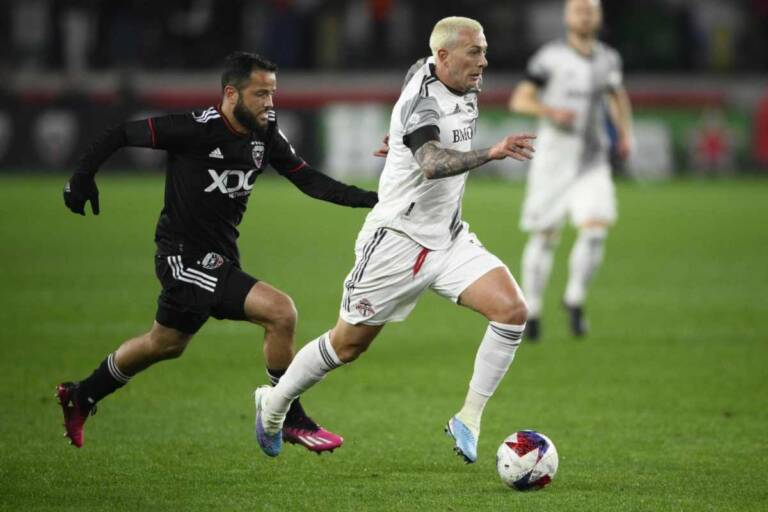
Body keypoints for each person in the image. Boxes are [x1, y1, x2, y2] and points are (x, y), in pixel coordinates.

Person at [57, 51, 378, 453]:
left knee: (165, 343)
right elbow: (122, 133)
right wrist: (82, 176)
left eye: (273, 94)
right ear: (231, 93)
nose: (269, 104)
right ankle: (286, 415)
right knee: (281, 313)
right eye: (260, 94)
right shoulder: (194, 128)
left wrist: (374, 200)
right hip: (183, 258)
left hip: (220, 256)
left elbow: (308, 179)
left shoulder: (265, 133)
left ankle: (81, 394)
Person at [253, 17, 536, 464]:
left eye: (483, 50)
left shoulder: (444, 76)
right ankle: (273, 407)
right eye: (474, 52)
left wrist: (400, 138)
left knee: (512, 311)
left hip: (447, 238)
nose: (484, 61)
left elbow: (413, 102)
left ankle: (469, 417)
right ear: (443, 57)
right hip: (396, 243)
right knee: (348, 345)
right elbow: (430, 162)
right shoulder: (425, 103)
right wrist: (491, 152)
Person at [509, 0, 633, 340]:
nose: (585, 15)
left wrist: (625, 133)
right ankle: (531, 310)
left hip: (593, 160)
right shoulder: (549, 58)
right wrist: (551, 112)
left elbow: (617, 97)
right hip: (552, 161)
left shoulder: (608, 58)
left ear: (599, 16)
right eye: (579, 10)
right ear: (567, 17)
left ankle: (574, 298)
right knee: (545, 236)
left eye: (590, 10)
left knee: (595, 230)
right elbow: (520, 99)